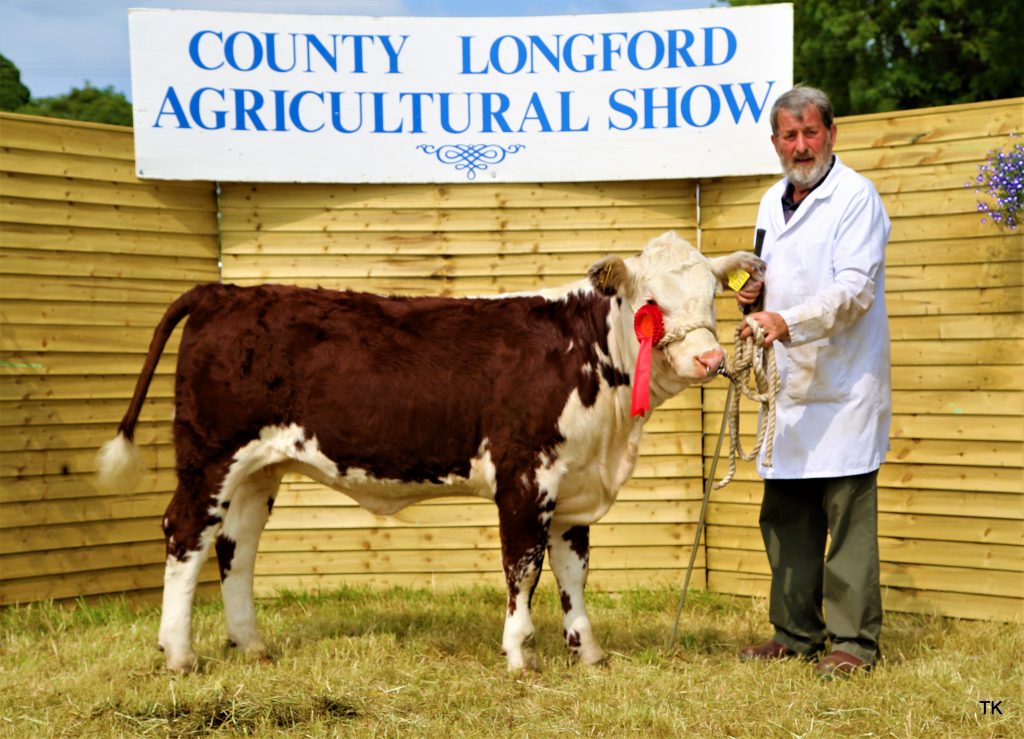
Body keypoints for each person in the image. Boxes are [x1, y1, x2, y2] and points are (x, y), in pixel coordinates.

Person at [735, 85, 892, 678]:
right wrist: (754, 297)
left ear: (831, 133)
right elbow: (771, 278)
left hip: (846, 384)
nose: (800, 145)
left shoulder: (857, 197)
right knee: (786, 515)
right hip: (789, 388)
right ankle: (795, 633)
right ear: (775, 142)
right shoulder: (770, 202)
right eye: (788, 135)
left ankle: (853, 643)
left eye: (809, 132)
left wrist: (787, 319)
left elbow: (854, 290)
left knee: (847, 520)